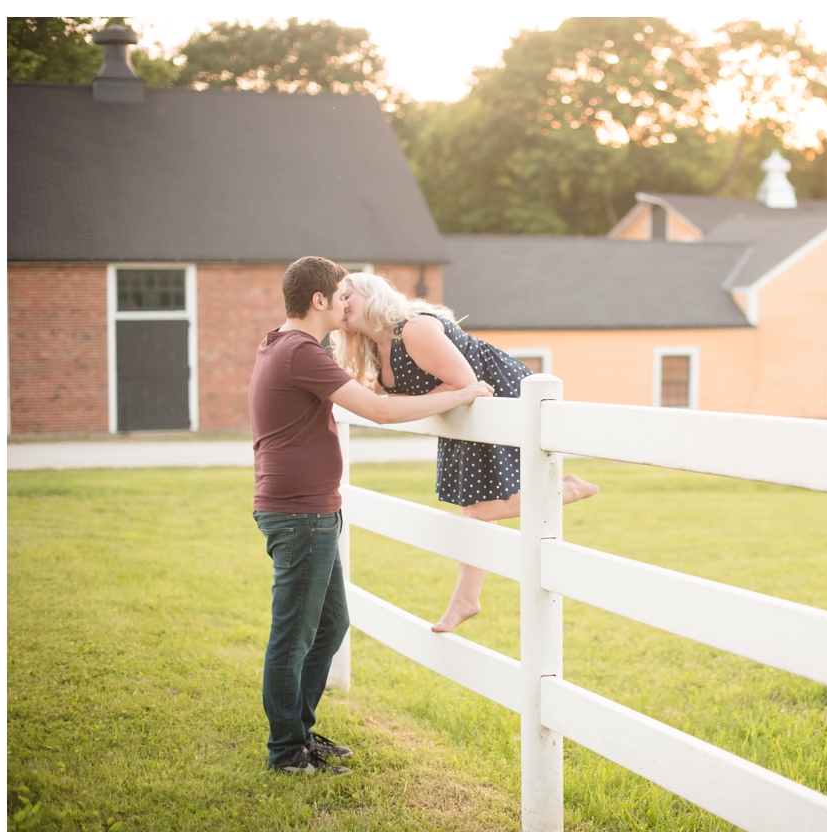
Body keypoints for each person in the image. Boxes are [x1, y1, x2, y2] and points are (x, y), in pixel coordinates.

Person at [249, 256, 493, 775]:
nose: (347, 304)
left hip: (311, 511)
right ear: (319, 301)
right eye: (341, 296)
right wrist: (461, 393)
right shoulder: (300, 352)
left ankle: (300, 733)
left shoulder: (283, 343)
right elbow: (378, 410)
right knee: (293, 635)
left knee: (331, 624)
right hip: (300, 515)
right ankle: (286, 752)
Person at [334, 272, 600, 633]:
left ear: (371, 295)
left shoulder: (413, 330)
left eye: (346, 295)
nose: (341, 303)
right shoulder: (371, 349)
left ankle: (568, 489)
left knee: (481, 507)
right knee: (473, 508)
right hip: (460, 412)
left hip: (496, 396)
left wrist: (403, 405)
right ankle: (466, 599)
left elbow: (465, 381)